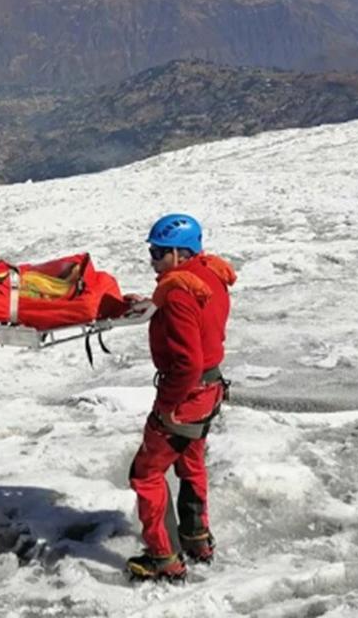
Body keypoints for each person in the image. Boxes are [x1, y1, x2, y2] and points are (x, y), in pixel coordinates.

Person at [126, 213, 237, 582]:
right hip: (211, 390)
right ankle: (196, 537)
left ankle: (163, 557)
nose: (153, 260)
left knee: (147, 472)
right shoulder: (210, 274)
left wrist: (168, 407)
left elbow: (187, 361)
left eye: (158, 253)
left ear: (178, 252)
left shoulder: (177, 292)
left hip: (187, 396)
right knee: (191, 463)